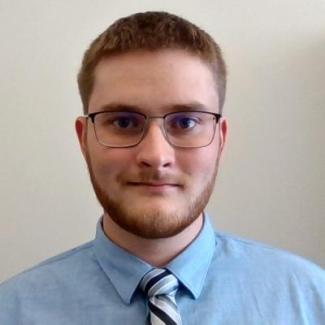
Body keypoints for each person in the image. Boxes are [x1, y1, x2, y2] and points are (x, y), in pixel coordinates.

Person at [0, 11, 324, 325]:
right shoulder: (11, 312)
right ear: (85, 140)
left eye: (186, 122)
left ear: (219, 139)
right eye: (124, 122)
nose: (156, 155)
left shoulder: (312, 301)